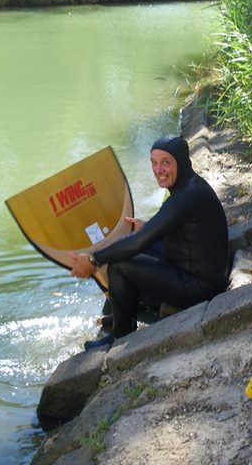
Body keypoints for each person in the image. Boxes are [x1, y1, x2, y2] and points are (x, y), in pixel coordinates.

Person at [69, 135, 230, 350]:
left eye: (165, 163)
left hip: (199, 287)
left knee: (119, 266)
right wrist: (148, 228)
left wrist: (93, 259)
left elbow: (137, 243)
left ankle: (121, 336)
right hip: (196, 268)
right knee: (137, 245)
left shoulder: (184, 198)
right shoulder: (190, 186)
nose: (158, 170)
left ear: (180, 163)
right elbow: (177, 230)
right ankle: (126, 307)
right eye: (154, 163)